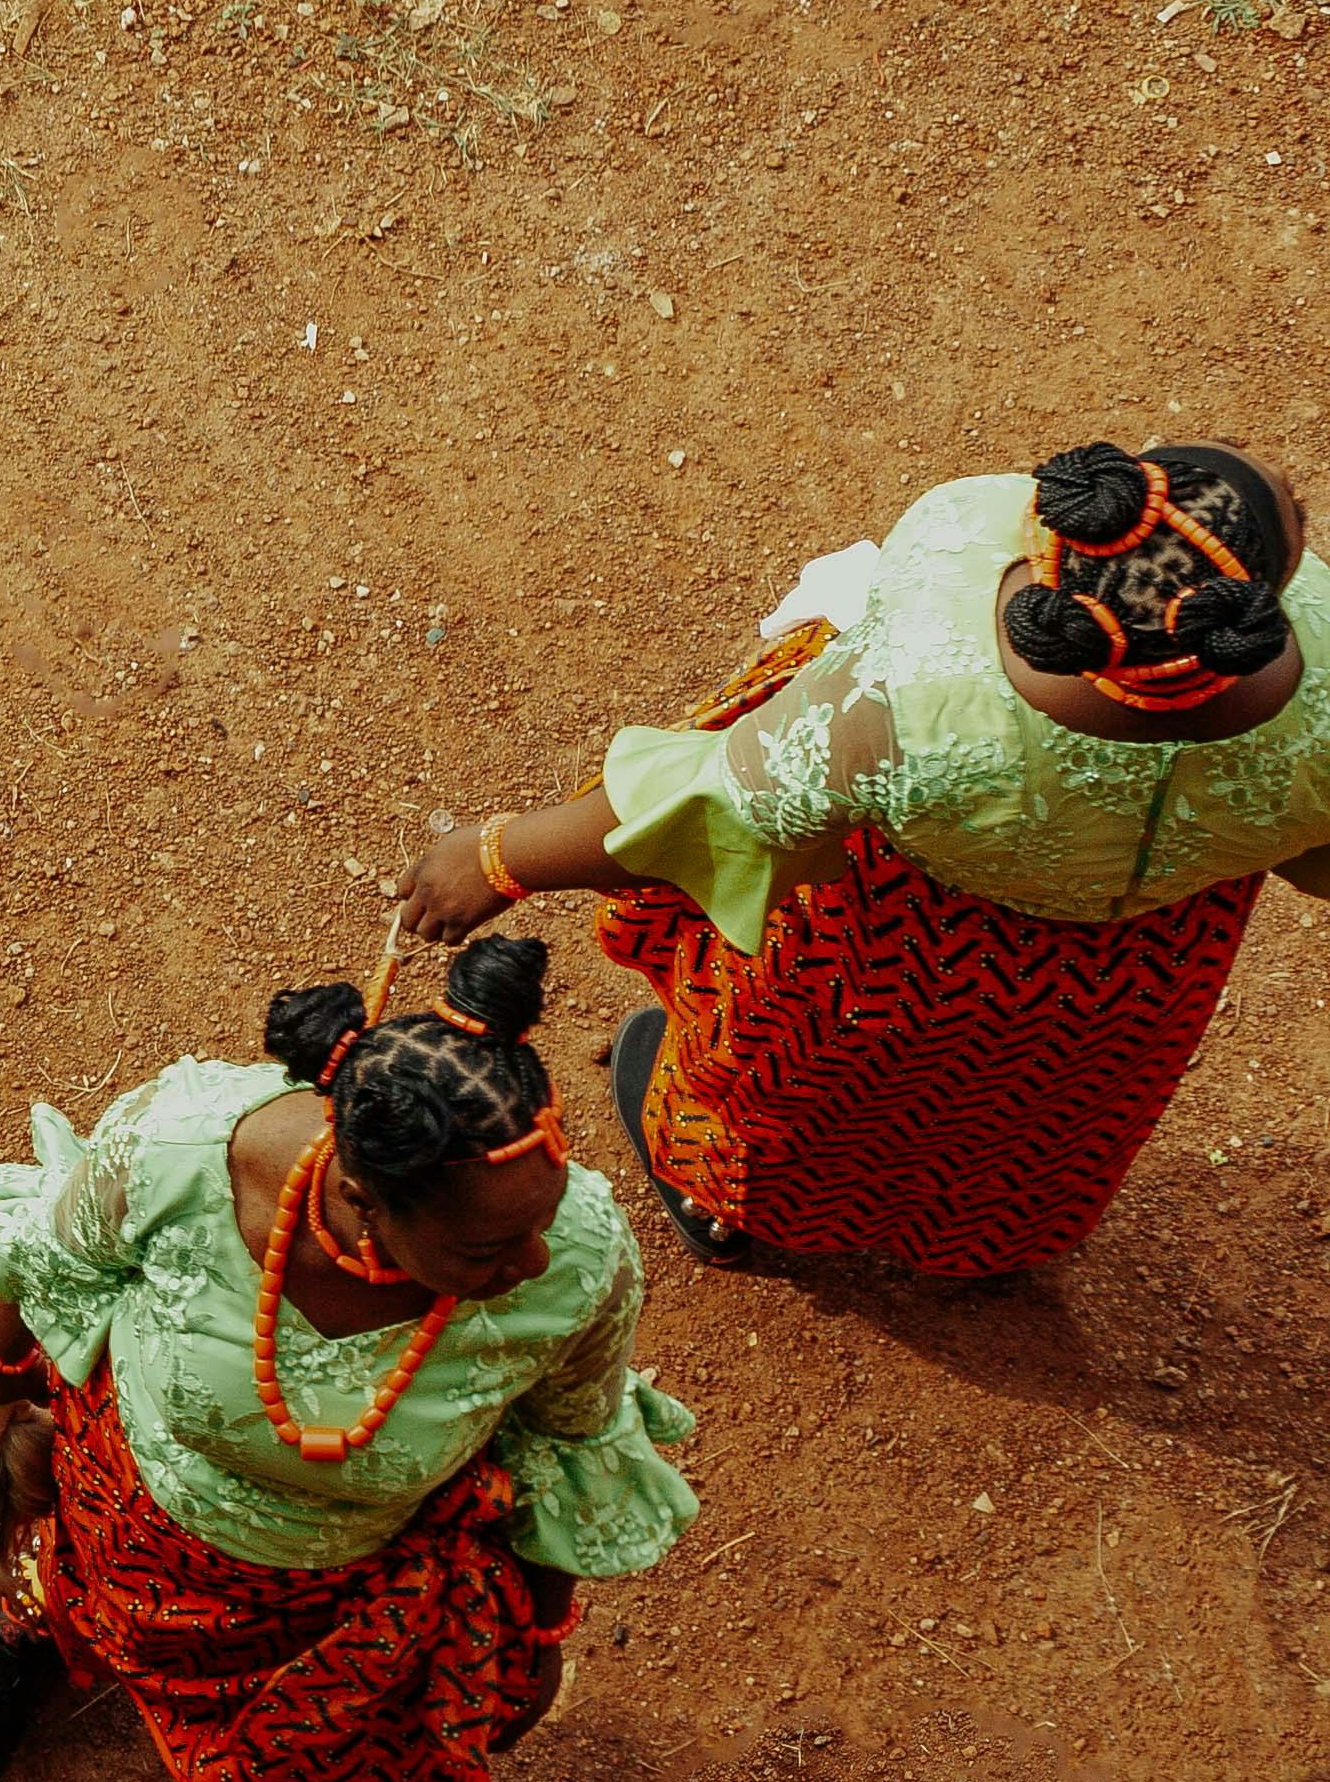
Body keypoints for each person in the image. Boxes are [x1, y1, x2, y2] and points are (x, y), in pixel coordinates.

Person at [0, 937, 699, 1782]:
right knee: (73, 1572)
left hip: (346, 1611)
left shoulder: (579, 1257)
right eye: (487, 1254)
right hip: (120, 1508)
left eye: (544, 1222)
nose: (534, 1265)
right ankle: (38, 1620)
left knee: (363, 1772)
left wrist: (540, 1638)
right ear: (366, 1203)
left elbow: (563, 1453)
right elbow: (47, 1262)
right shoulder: (177, 1150)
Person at [401, 437, 1330, 1280]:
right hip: (1140, 971)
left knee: (810, 1091)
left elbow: (718, 800)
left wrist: (498, 857)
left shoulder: (929, 671)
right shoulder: (1320, 694)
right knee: (1037, 1115)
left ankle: (723, 1208)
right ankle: (991, 1245)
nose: (1285, 476)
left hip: (895, 944)